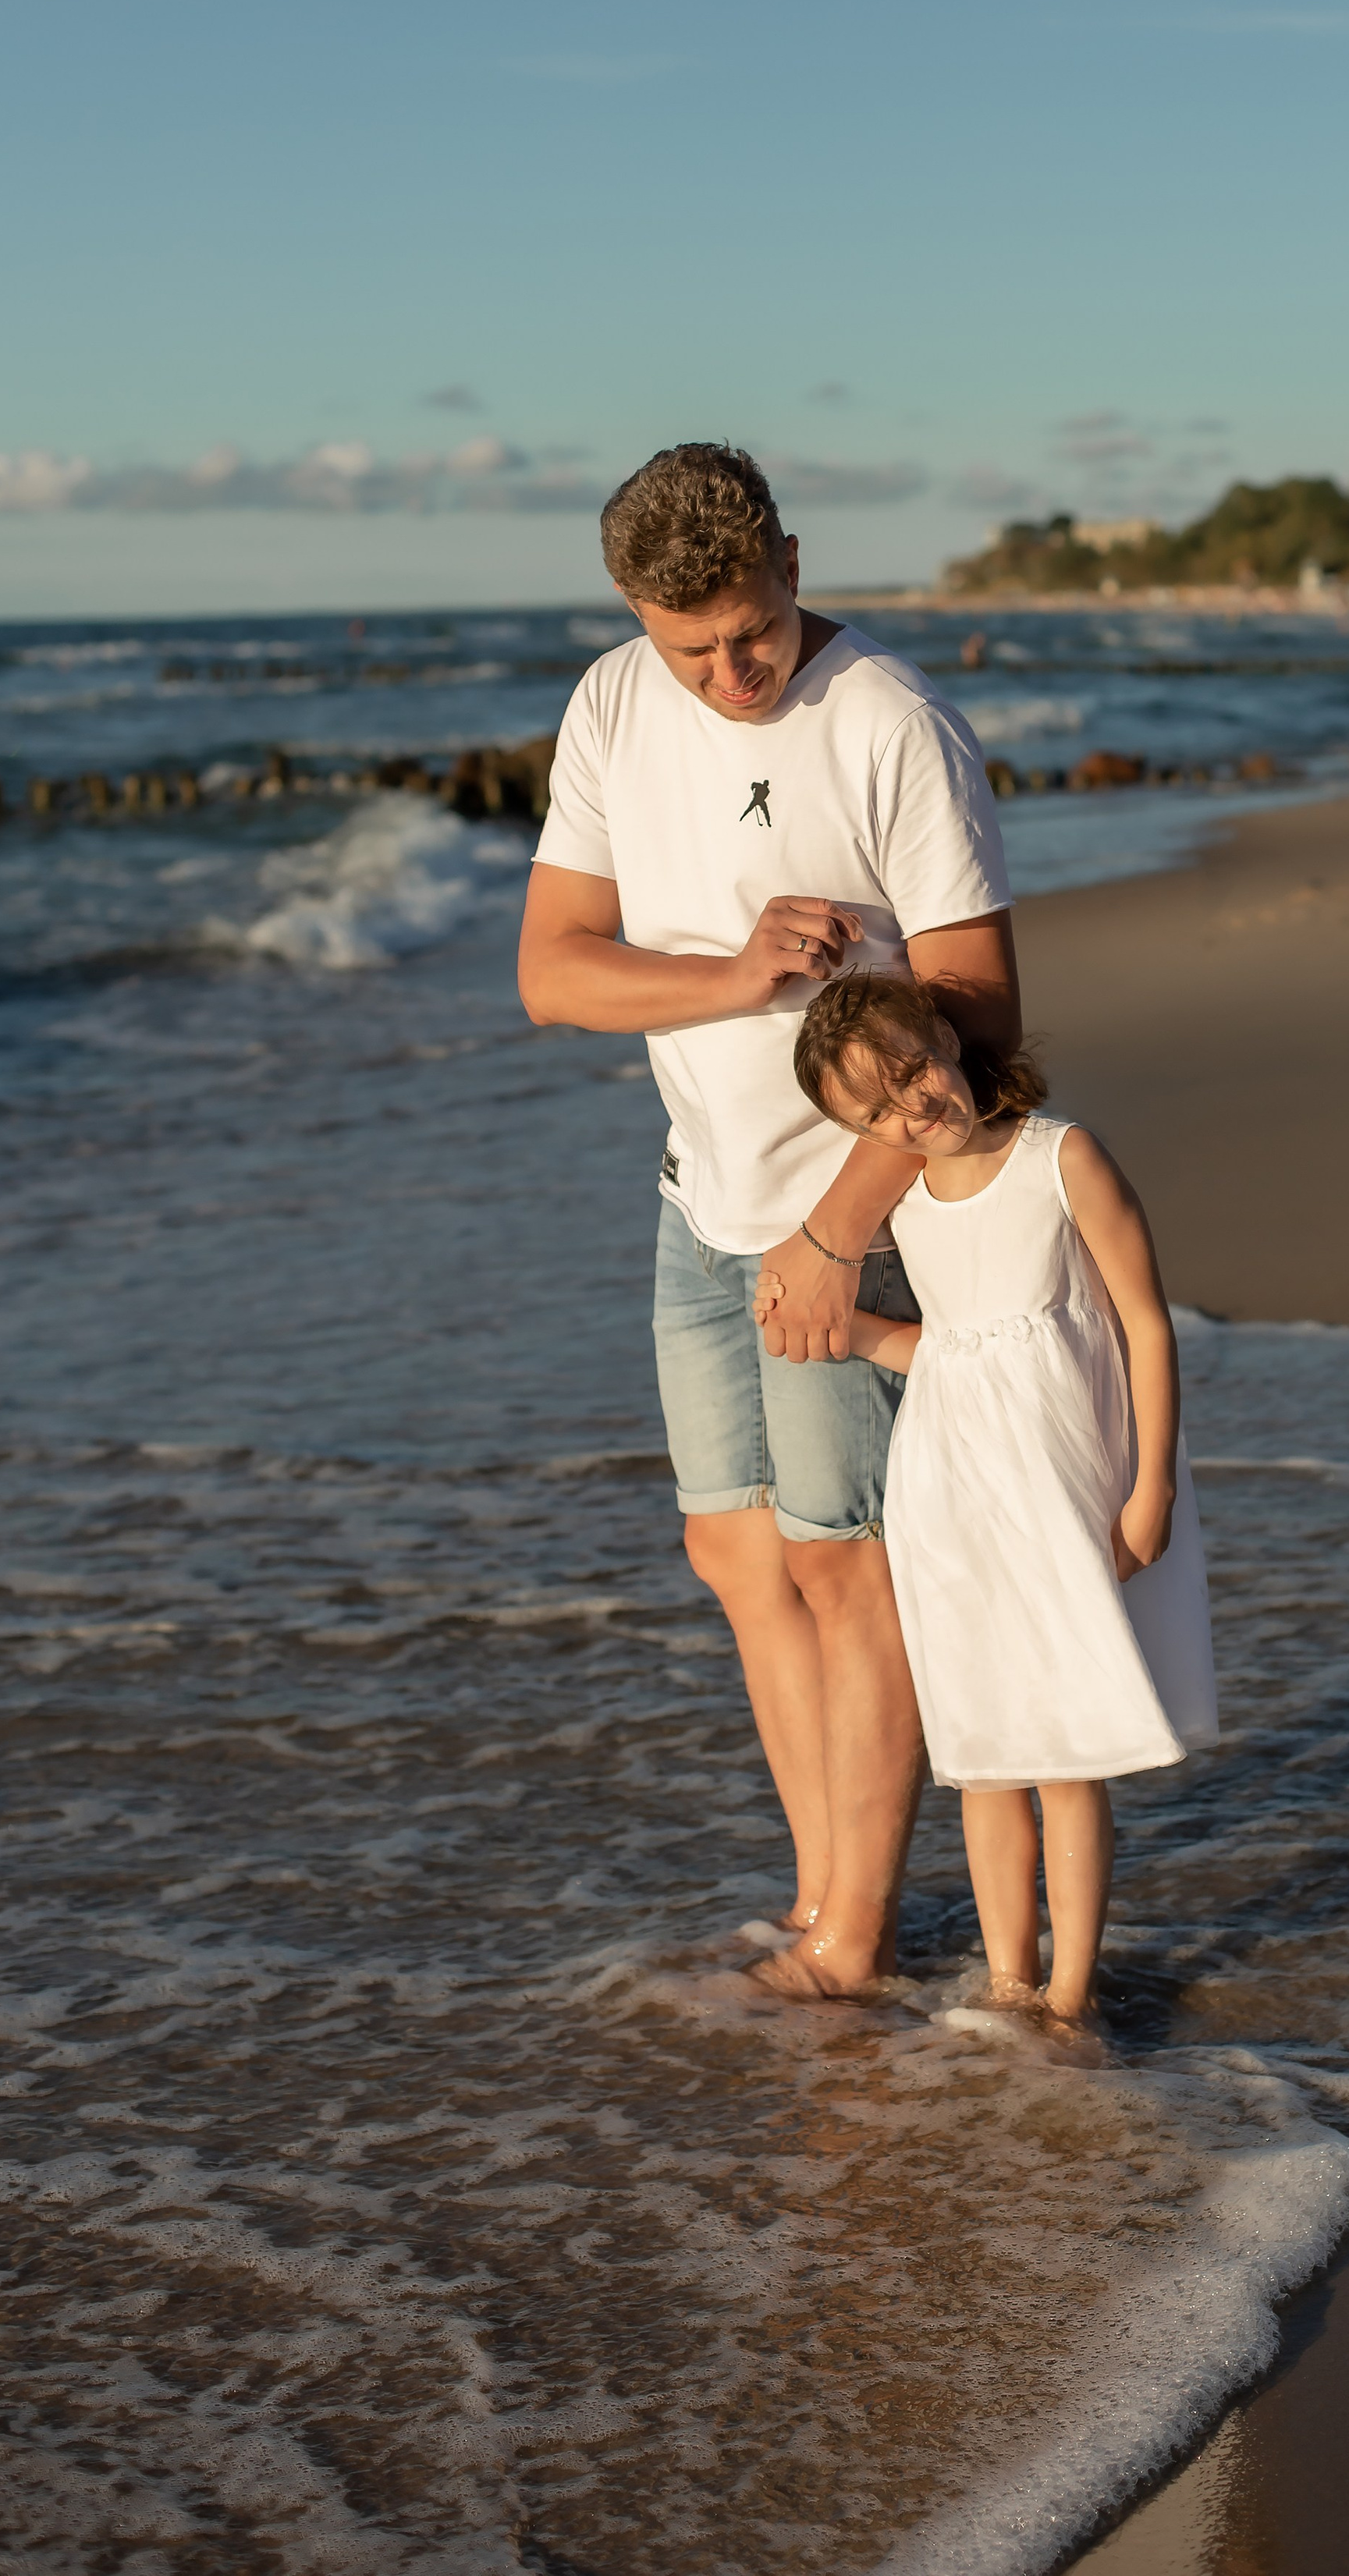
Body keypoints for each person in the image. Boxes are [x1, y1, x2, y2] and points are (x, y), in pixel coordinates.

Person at [517, 442, 1020, 2001]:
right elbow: (554, 972)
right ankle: (819, 1903)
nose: (729, 674)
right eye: (692, 649)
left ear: (791, 564)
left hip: (848, 1215)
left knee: (843, 1567)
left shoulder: (888, 725)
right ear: (631, 617)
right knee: (736, 1557)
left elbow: (982, 1014)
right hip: (701, 1206)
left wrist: (833, 1227)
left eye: (748, 632)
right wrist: (733, 976)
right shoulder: (612, 703)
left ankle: (851, 1946)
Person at [776, 967, 1219, 2030]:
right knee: (983, 1755)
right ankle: (1009, 1985)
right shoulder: (912, 1207)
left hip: (1061, 1488)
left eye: (912, 1070)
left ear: (943, 1034)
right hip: (952, 1492)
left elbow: (1145, 1326)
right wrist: (841, 1334)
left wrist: (1149, 1484)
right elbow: (953, 1349)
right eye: (877, 1111)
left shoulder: (1059, 1158)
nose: (912, 1108)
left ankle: (1070, 1998)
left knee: (1062, 1751)